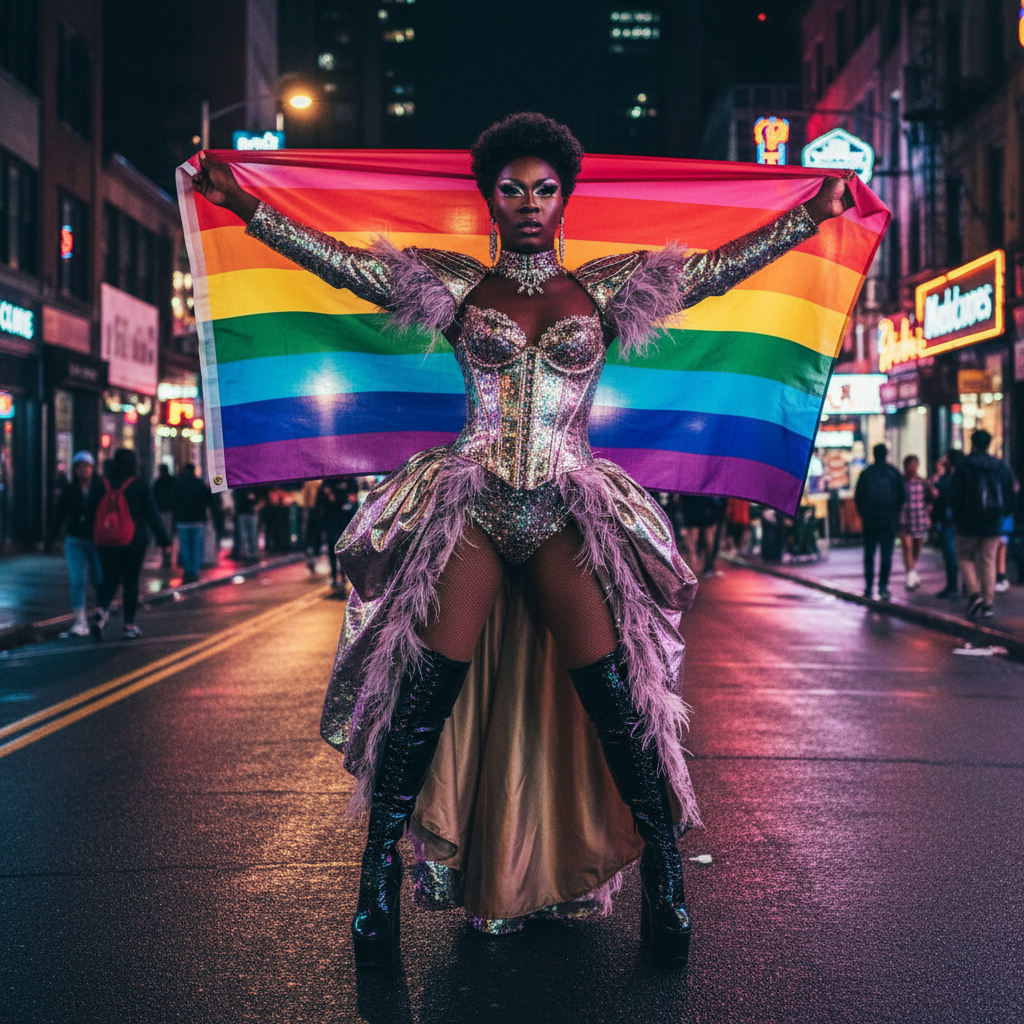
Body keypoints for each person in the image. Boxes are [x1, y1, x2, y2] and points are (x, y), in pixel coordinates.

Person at [193, 112, 853, 967]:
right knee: (420, 702)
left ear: (565, 199)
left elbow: (719, 271)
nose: (529, 203)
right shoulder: (459, 288)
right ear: (489, 202)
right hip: (468, 504)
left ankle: (666, 888)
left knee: (621, 704)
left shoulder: (606, 291)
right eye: (512, 190)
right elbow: (345, 265)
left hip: (566, 509)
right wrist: (245, 204)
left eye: (544, 189)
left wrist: (811, 214)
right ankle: (374, 891)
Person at [91, 448, 172, 640]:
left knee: (109, 577)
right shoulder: (139, 485)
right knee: (130, 581)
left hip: (105, 540)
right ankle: (128, 625)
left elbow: (91, 511)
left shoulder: (101, 483)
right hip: (133, 541)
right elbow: (153, 515)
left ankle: (101, 610)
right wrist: (164, 541)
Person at [951, 429, 1016, 619]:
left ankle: (973, 593)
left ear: (973, 443)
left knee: (964, 556)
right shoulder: (1000, 466)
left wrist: (956, 518)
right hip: (994, 521)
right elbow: (1010, 492)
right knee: (989, 561)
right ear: (988, 444)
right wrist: (1005, 514)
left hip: (968, 522)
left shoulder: (964, 466)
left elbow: (955, 495)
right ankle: (988, 604)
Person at [46, 451, 104, 637]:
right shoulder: (69, 490)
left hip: (97, 540)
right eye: (79, 467)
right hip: (75, 540)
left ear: (92, 468)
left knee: (98, 579)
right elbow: (58, 516)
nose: (82, 470)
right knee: (77, 580)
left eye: (86, 466)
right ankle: (80, 620)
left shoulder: (100, 488)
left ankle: (99, 614)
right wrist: (50, 540)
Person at [854, 443, 906, 600]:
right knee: (886, 554)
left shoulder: (866, 473)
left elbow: (858, 497)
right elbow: (902, 496)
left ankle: (868, 587)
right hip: (888, 519)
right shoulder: (893, 472)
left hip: (871, 519)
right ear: (886, 454)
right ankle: (883, 587)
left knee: (869, 553)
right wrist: (894, 514)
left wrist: (864, 514)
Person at [897, 454, 933, 591]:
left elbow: (929, 498)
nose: (912, 468)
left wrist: (928, 511)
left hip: (919, 518)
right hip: (904, 518)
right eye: (909, 465)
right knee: (907, 546)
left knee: (917, 546)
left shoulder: (923, 482)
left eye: (914, 465)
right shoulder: (900, 482)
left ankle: (912, 571)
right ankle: (910, 574)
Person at [930, 450, 962, 598]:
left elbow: (942, 497)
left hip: (950, 520)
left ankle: (954, 587)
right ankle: (967, 587)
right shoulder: (958, 475)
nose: (942, 459)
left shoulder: (949, 478)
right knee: (962, 555)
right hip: (959, 520)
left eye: (945, 457)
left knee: (951, 555)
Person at [172, 463, 211, 583]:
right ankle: (194, 570)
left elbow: (173, 501)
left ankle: (188, 570)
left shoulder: (179, 483)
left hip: (183, 520)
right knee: (196, 547)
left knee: (185, 547)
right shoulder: (199, 484)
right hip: (198, 520)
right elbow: (208, 500)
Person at [153, 464, 176, 567]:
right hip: (168, 510)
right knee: (168, 535)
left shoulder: (158, 483)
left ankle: (166, 556)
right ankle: (167, 556)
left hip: (164, 510)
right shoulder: (172, 482)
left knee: (165, 534)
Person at [232, 486, 261, 561]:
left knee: (249, 535)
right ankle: (249, 554)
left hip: (247, 513)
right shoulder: (246, 488)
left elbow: (257, 497)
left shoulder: (249, 487)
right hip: (245, 513)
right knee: (247, 535)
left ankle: (250, 553)